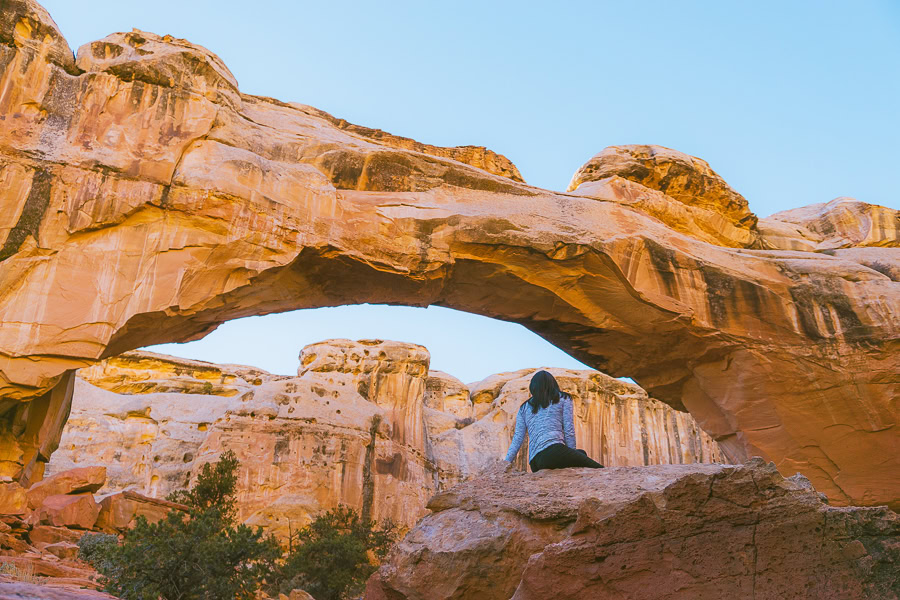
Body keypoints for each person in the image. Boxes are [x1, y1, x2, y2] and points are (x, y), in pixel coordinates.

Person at [503, 370, 604, 472]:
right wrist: (572, 452)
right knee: (597, 467)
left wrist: (506, 463)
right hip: (553, 452)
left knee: (581, 453)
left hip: (535, 462)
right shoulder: (564, 398)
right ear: (553, 384)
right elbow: (569, 430)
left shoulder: (524, 408)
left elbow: (518, 438)